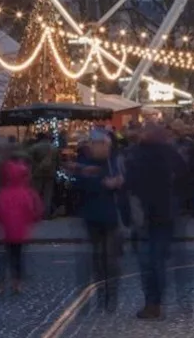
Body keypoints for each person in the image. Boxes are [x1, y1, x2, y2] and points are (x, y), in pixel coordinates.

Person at [126, 123, 185, 321]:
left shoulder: (137, 155)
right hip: (164, 215)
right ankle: (154, 302)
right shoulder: (170, 154)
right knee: (156, 261)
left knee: (149, 262)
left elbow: (130, 184)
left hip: (147, 215)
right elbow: (185, 178)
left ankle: (152, 303)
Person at [74, 130, 122, 311]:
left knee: (110, 260)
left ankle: (111, 296)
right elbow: (79, 185)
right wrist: (101, 183)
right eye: (103, 145)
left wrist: (119, 184)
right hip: (93, 216)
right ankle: (101, 294)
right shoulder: (86, 162)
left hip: (110, 217)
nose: (106, 149)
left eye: (107, 146)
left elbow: (123, 183)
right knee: (97, 259)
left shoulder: (114, 161)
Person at [0, 157, 43, 296]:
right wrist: (32, 221)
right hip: (20, 231)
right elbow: (34, 210)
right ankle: (16, 283)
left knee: (3, 258)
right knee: (17, 257)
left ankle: (0, 284)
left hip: (5, 231)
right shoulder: (26, 193)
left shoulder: (2, 194)